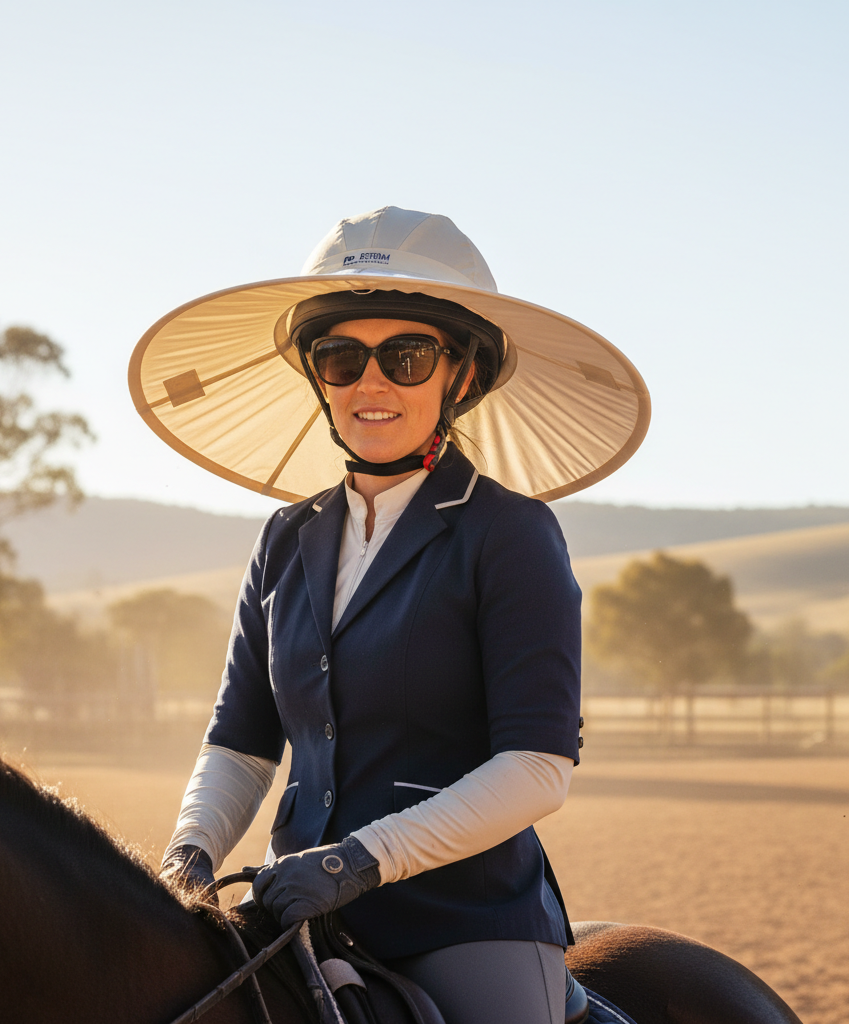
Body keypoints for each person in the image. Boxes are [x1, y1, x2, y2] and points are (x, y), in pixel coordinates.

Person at [130, 207, 650, 1024]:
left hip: (463, 920)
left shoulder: (509, 533)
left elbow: (538, 768)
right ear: (318, 376)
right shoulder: (285, 539)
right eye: (340, 357)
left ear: (462, 376)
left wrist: (358, 863)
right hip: (290, 913)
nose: (370, 383)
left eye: (406, 357)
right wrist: (189, 854)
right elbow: (240, 738)